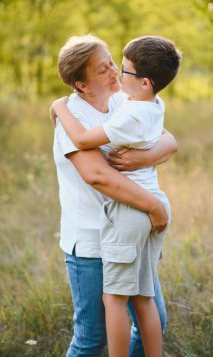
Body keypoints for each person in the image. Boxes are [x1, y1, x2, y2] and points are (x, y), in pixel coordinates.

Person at [51, 35, 181, 357]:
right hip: (94, 240)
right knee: (92, 338)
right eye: (102, 69)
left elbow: (169, 140)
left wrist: (145, 157)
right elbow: (97, 175)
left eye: (112, 62)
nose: (113, 71)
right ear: (81, 84)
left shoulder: (124, 101)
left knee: (154, 317)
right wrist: (153, 205)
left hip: (131, 230)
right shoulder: (72, 116)